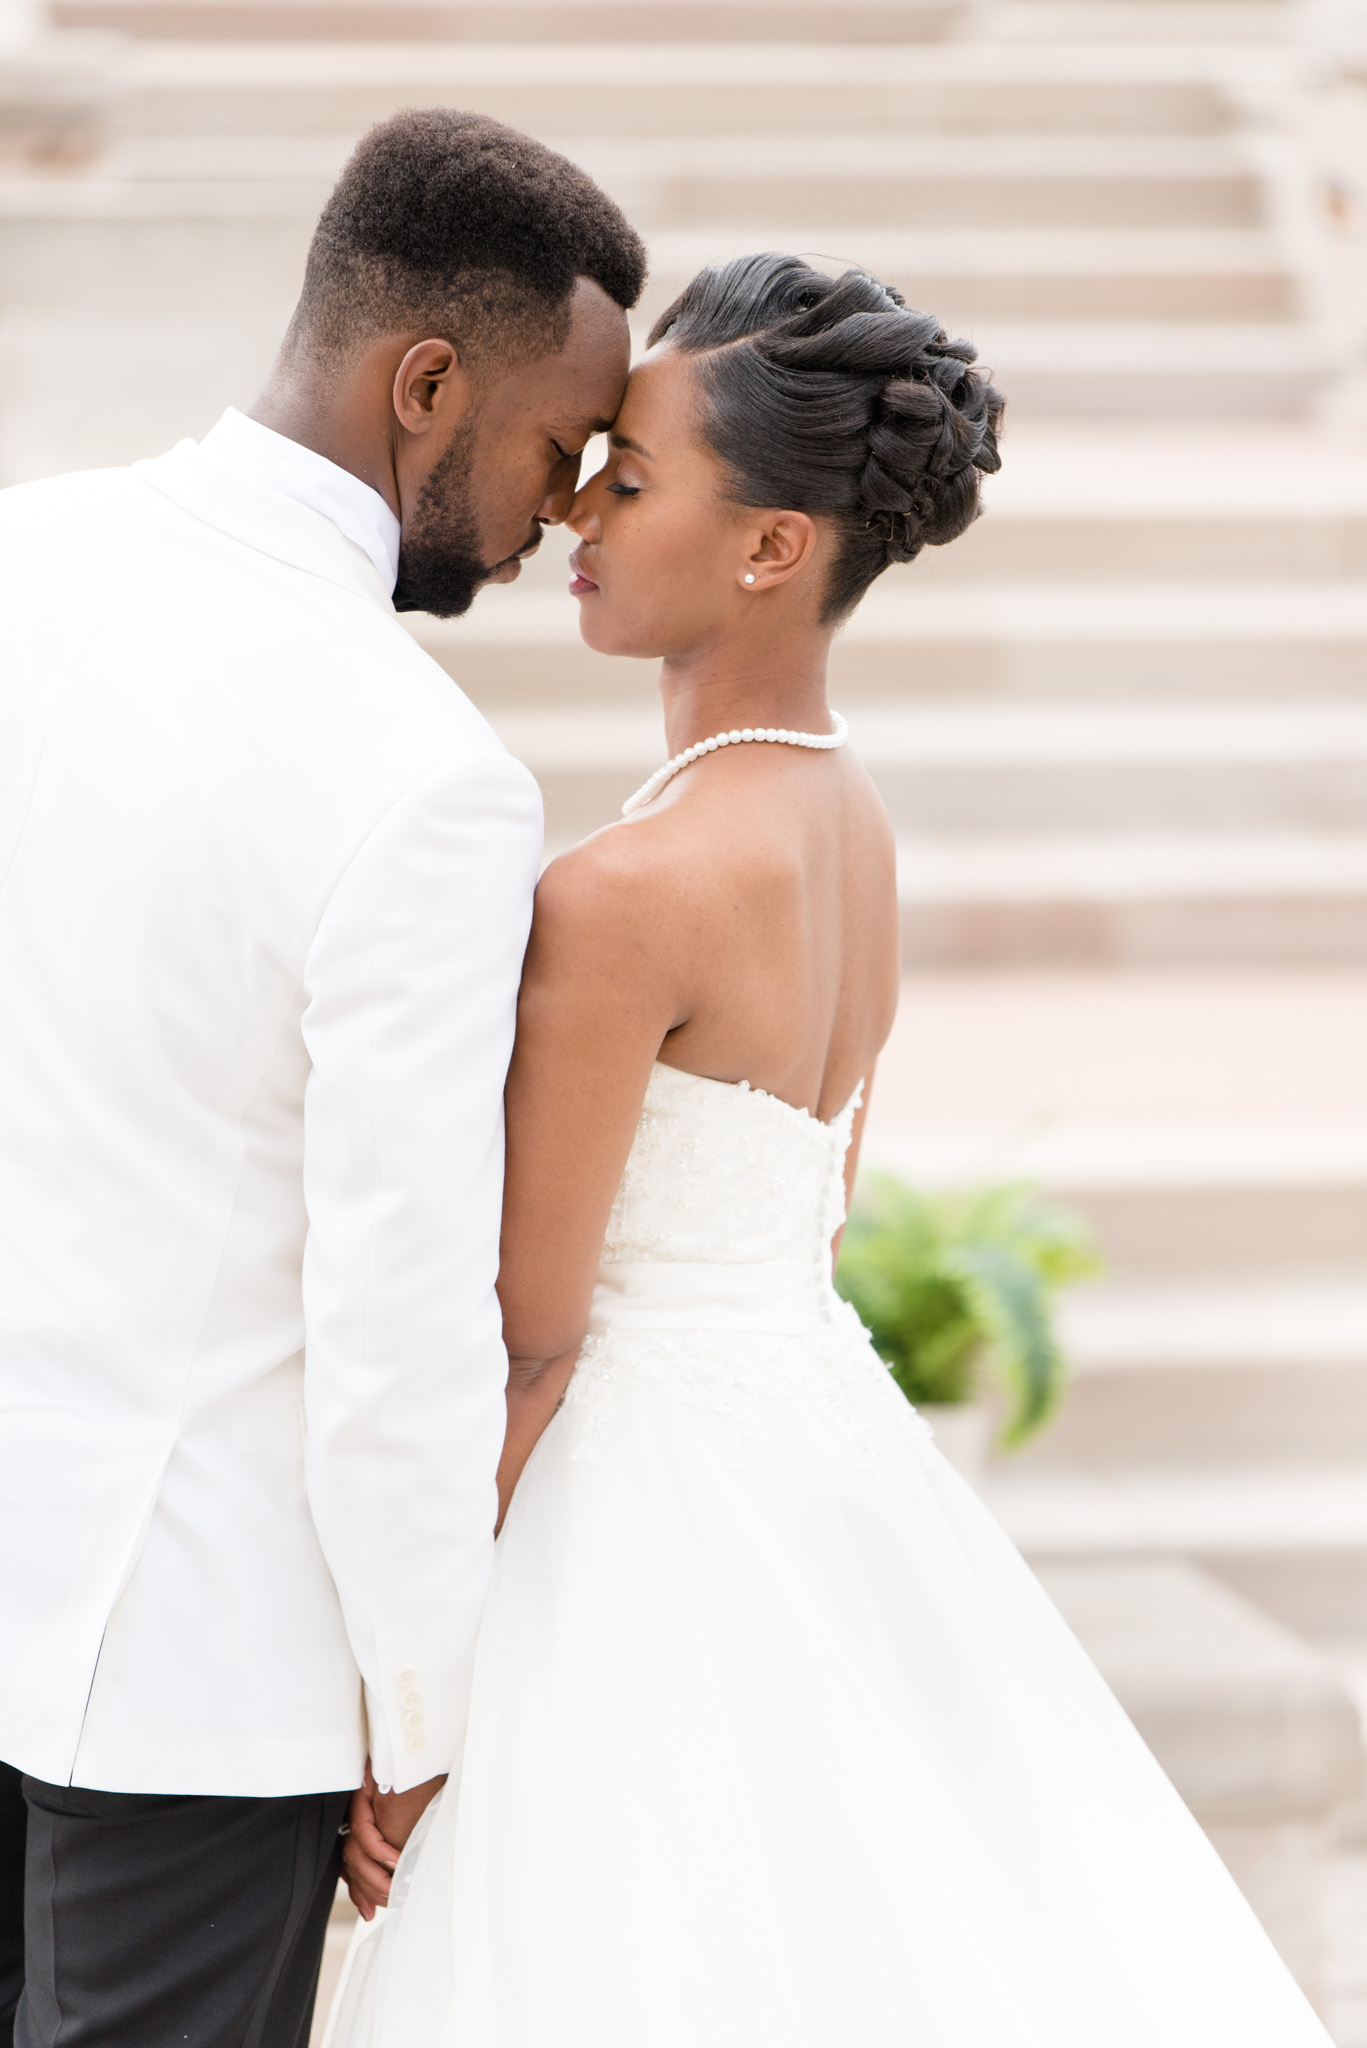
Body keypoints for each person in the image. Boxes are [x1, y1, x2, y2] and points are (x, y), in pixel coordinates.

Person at [331, 253, 1333, 2047]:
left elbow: (529, 1336)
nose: (573, 505)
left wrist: (401, 1708)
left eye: (629, 481)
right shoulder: (851, 825)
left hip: (622, 1514)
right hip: (817, 1458)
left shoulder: (624, 892)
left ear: (773, 547)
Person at [0, 108, 644, 2048]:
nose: (555, 525)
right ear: (426, 384)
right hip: (191, 1693)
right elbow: (394, 1325)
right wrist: (420, 1706)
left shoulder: (24, 552)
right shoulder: (427, 777)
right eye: (555, 450)